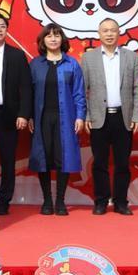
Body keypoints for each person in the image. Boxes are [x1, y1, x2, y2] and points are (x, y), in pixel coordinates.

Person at [81, 18, 138, 216]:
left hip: (123, 117)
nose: (109, 34)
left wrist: (137, 116)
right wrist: (86, 115)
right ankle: (100, 201)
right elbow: (82, 90)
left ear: (119, 33)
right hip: (98, 117)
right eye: (105, 31)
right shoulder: (88, 58)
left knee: (122, 163)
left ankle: (121, 202)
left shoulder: (131, 57)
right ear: (99, 34)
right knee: (99, 162)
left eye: (113, 30)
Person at [28, 23, 86, 216]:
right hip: (42, 118)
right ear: (43, 40)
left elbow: (79, 93)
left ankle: (60, 201)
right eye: (49, 36)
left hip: (66, 117)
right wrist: (29, 116)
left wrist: (80, 116)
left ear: (62, 39)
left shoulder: (72, 64)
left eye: (57, 35)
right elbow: (28, 93)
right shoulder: (35, 64)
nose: (53, 39)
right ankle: (47, 200)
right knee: (43, 157)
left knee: (64, 157)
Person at [0, 13, 32, 216]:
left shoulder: (16, 55)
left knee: (8, 160)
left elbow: (26, 87)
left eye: (2, 26)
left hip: (8, 115)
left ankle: (4, 200)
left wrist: (23, 114)